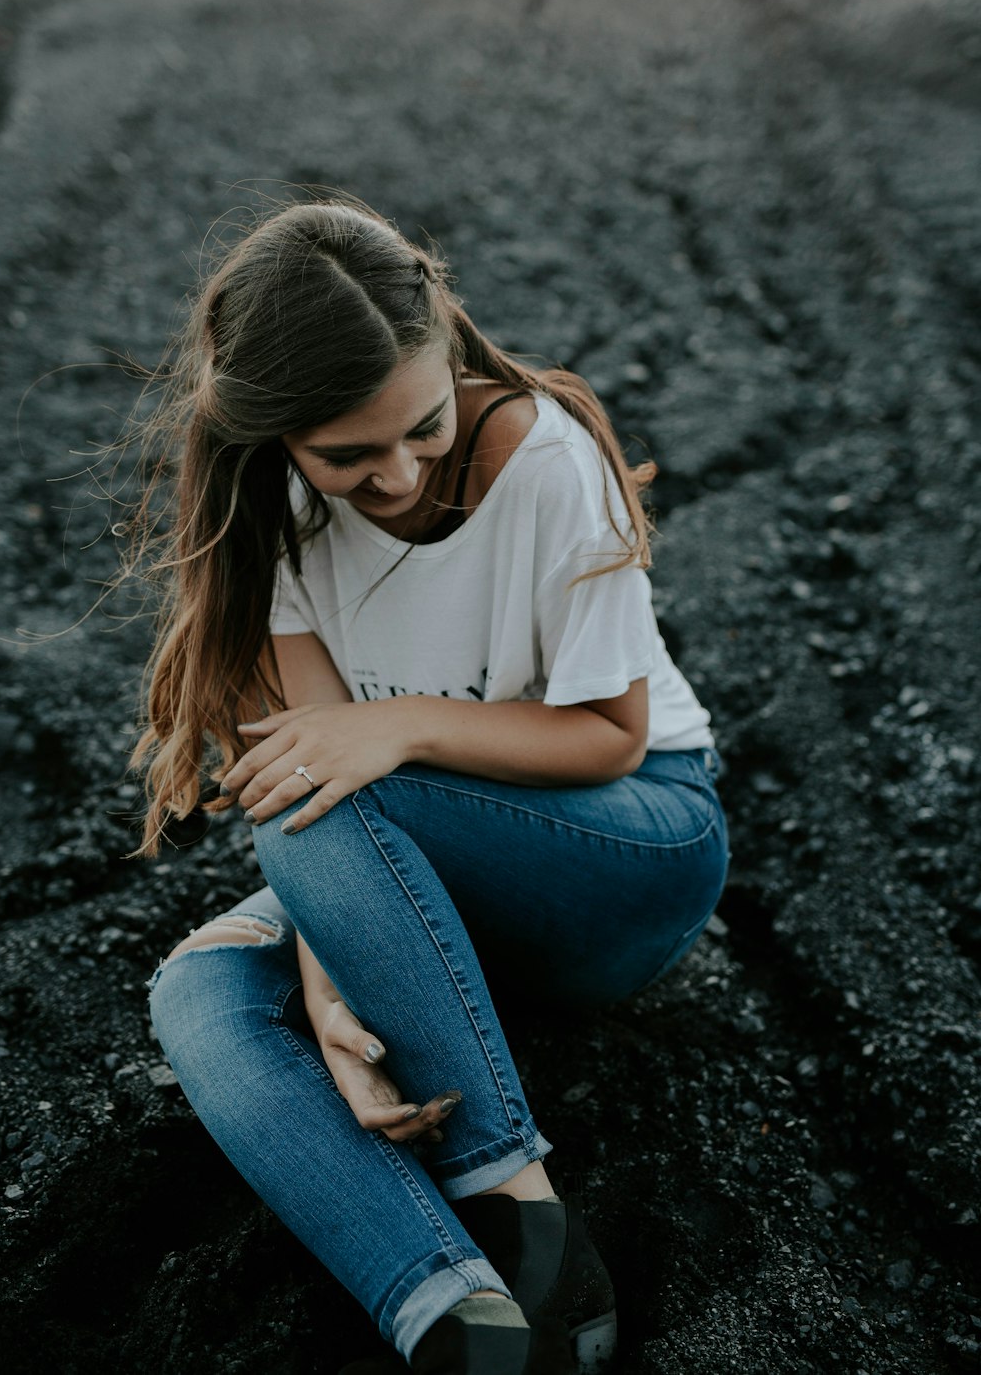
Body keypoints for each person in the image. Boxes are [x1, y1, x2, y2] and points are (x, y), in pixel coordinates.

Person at [136, 195, 729, 1375]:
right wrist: (333, 990)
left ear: (446, 354)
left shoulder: (548, 460)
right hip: (408, 868)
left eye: (419, 427)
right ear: (273, 444)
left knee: (337, 768)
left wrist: (398, 721)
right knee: (198, 997)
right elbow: (313, 787)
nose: (399, 474)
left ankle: (524, 1211)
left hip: (628, 848)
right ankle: (452, 1319)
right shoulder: (268, 519)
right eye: (347, 456)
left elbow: (612, 737)